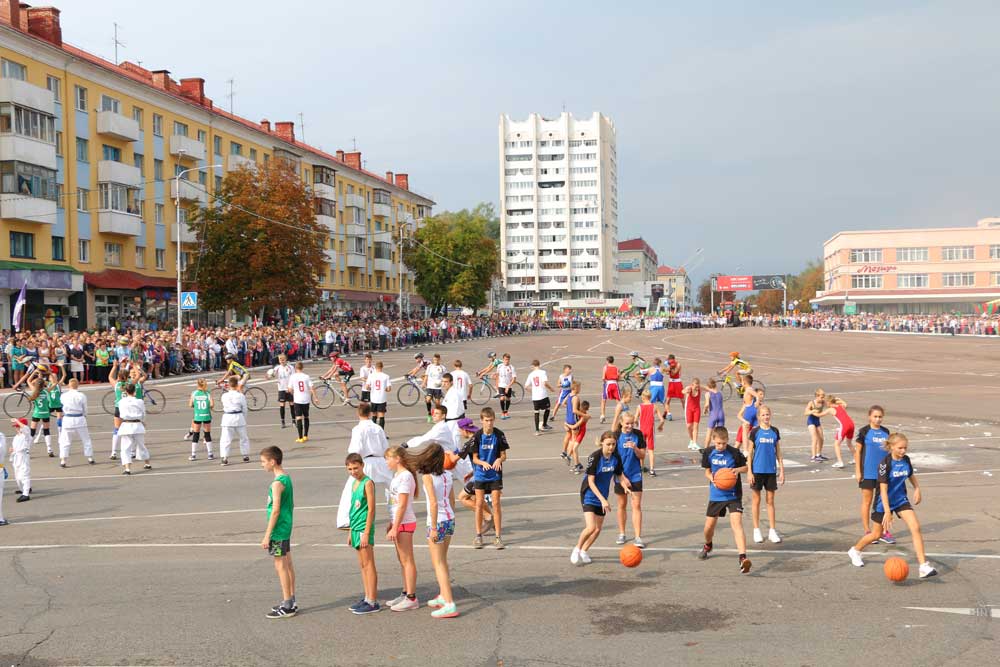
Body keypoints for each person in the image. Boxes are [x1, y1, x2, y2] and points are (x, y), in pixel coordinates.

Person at [847, 433, 937, 578]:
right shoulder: (885, 464)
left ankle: (923, 566)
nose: (903, 451)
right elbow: (882, 489)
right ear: (891, 447)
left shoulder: (906, 459)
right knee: (876, 534)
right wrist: (887, 512)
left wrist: (918, 488)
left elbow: (911, 474)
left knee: (915, 527)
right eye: (900, 448)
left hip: (900, 500)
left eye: (905, 448)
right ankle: (855, 550)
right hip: (884, 503)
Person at [571, 431, 630, 565]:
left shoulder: (616, 457)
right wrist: (603, 500)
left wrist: (624, 485)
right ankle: (577, 548)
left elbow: (619, 474)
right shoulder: (595, 457)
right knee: (591, 527)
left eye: (613, 444)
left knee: (598, 529)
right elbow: (591, 481)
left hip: (603, 495)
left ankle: (584, 551)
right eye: (608, 444)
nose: (611, 447)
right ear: (602, 442)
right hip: (589, 494)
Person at [699, 426, 752, 573]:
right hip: (716, 494)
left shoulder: (734, 453)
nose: (721, 446)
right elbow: (707, 471)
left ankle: (743, 558)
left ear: (727, 440)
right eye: (718, 444)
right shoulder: (709, 452)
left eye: (723, 443)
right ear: (713, 440)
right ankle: (708, 544)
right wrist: (712, 478)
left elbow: (746, 467)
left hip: (733, 494)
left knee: (737, 524)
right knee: (708, 528)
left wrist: (737, 470)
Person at [418, 442, 459, 618]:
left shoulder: (427, 476)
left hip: (438, 522)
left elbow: (433, 502)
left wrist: (433, 527)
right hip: (449, 519)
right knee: (442, 560)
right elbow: (452, 500)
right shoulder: (448, 475)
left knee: (438, 563)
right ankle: (443, 595)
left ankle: (449, 603)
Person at [260, 446, 297, 618]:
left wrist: (267, 534)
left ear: (272, 461)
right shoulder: (286, 477)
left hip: (278, 530)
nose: (262, 465)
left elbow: (275, 510)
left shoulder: (277, 483)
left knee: (280, 565)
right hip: (285, 526)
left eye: (263, 461)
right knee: (288, 563)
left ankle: (287, 604)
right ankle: (291, 600)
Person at [466, 406, 509, 549]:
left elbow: (504, 455)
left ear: (494, 420)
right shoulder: (477, 436)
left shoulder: (499, 435)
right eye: (486, 420)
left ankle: (498, 537)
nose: (489, 423)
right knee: (479, 504)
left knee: (496, 504)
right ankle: (478, 536)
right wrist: (482, 463)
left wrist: (499, 460)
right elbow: (475, 458)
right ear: (481, 420)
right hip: (481, 475)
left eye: (491, 420)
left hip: (495, 474)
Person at [383, 445, 419, 612]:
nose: (386, 462)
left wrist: (395, 527)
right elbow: (395, 503)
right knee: (402, 560)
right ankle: (405, 592)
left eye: (388, 458)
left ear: (397, 459)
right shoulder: (397, 475)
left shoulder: (405, 476)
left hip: (404, 522)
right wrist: (392, 522)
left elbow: (403, 504)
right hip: (398, 521)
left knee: (407, 560)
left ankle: (412, 597)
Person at [855, 405, 895, 544]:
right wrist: (858, 471)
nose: (878, 419)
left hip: (883, 474)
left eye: (880, 417)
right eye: (875, 416)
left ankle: (884, 531)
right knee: (867, 501)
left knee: (883, 503)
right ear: (869, 417)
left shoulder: (886, 432)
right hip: (868, 472)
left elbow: (890, 451)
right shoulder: (864, 432)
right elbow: (858, 452)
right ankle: (868, 531)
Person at [345, 452, 379, 614]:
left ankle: (372, 601)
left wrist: (366, 532)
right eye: (350, 469)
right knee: (362, 564)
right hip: (355, 527)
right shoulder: (354, 483)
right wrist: (350, 530)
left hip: (364, 528)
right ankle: (366, 597)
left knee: (369, 563)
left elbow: (371, 509)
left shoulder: (367, 483)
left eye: (355, 468)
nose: (353, 472)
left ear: (362, 465)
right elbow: (353, 509)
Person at [747, 405, 784, 544]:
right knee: (756, 500)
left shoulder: (775, 431)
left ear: (770, 415)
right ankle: (756, 530)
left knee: (770, 501)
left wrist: (782, 470)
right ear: (758, 417)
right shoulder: (755, 432)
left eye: (767, 414)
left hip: (771, 471)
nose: (765, 417)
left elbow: (778, 452)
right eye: (763, 415)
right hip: (757, 471)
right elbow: (749, 453)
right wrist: (749, 471)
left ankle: (772, 531)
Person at [611, 411, 647, 548]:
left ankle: (638, 537)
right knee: (621, 505)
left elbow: (642, 456)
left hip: (635, 474)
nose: (630, 426)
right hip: (620, 475)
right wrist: (622, 477)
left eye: (632, 423)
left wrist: (635, 448)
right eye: (627, 423)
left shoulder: (638, 434)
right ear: (621, 423)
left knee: (636, 505)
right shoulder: (616, 435)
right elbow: (612, 459)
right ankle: (622, 533)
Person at [348, 403, 392, 487]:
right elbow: (386, 448)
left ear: (358, 414)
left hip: (365, 463)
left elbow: (355, 450)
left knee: (353, 490)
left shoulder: (357, 429)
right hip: (381, 462)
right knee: (392, 488)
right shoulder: (378, 428)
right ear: (370, 413)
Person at [58, 378, 94, 467]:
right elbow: (85, 408)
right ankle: (90, 457)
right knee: (86, 439)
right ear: (77, 385)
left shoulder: (63, 396)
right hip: (79, 418)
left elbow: (62, 406)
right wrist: (85, 415)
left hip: (68, 418)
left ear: (69, 385)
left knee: (65, 440)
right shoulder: (81, 395)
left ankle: (63, 460)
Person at [117, 382, 150, 475]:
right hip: (137, 424)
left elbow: (121, 415)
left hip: (126, 424)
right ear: (134, 391)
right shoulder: (140, 401)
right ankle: (147, 463)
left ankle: (127, 468)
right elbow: (143, 413)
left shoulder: (121, 402)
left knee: (125, 448)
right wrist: (143, 421)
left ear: (126, 391)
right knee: (141, 445)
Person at [219, 376, 250, 466]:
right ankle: (245, 455)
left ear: (228, 385)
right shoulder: (240, 396)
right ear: (237, 385)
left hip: (227, 417)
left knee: (226, 439)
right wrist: (243, 418)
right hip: (238, 417)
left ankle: (225, 458)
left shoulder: (224, 396)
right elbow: (245, 408)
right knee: (243, 437)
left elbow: (224, 405)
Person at [821, 395, 855, 469]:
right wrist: (840, 399)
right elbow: (845, 404)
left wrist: (811, 411)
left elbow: (820, 415)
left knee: (836, 444)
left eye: (826, 402)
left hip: (845, 426)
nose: (825, 404)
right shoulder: (840, 405)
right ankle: (856, 458)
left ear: (829, 402)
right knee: (849, 443)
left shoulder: (830, 409)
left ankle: (840, 462)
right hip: (851, 424)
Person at [25, 369, 54, 457]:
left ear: (36, 384)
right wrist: (50, 373)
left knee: (32, 431)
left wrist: (35, 372)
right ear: (43, 384)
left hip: (37, 413)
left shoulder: (34, 391)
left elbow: (28, 380)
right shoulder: (46, 391)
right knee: (46, 431)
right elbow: (54, 383)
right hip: (45, 413)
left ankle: (27, 450)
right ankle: (49, 449)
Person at [186, 378, 214, 461]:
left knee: (196, 434)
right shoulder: (207, 393)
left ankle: (193, 455)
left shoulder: (194, 393)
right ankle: (210, 454)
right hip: (206, 415)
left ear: (197, 384)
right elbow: (212, 405)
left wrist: (196, 406)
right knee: (207, 434)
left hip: (197, 416)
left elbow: (190, 405)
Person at [525, 359, 555, 435]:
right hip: (543, 394)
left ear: (533, 366)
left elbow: (526, 386)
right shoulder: (543, 372)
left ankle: (537, 430)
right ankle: (544, 424)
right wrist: (551, 388)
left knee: (536, 412)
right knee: (547, 408)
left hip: (535, 397)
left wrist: (532, 391)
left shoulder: (531, 374)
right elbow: (545, 383)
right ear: (539, 365)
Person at [288, 362, 316, 444]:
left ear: (295, 368)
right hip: (306, 399)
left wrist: (293, 392)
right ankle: (305, 435)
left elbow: (289, 389)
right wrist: (315, 397)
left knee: (298, 418)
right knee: (306, 417)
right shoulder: (306, 376)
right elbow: (312, 387)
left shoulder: (293, 377)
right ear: (302, 368)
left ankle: (300, 437)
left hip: (297, 400)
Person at [635, 389, 661, 477]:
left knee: (642, 449)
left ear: (642, 397)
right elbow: (661, 420)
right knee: (651, 450)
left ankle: (641, 466)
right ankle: (652, 469)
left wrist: (636, 423)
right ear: (650, 397)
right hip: (650, 430)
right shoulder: (654, 406)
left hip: (641, 430)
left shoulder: (639, 407)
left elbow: (635, 419)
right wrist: (660, 426)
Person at [364, 361, 392, 431]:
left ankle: (373, 432)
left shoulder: (371, 375)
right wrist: (385, 389)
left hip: (373, 398)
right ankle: (381, 433)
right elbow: (389, 389)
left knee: (374, 415)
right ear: (382, 367)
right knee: (381, 416)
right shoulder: (386, 376)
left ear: (375, 367)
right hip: (382, 398)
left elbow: (367, 387)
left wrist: (371, 388)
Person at [9, 417, 32, 502]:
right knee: (17, 476)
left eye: (17, 426)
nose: (16, 428)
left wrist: (17, 421)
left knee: (24, 475)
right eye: (15, 426)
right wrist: (12, 450)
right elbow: (16, 447)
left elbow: (26, 429)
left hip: (23, 457)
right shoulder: (16, 437)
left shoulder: (26, 435)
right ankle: (25, 488)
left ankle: (26, 494)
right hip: (16, 457)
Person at [269, 354, 294, 429]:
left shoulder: (290, 367)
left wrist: (291, 387)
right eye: (280, 359)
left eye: (283, 359)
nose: (282, 361)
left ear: (286, 359)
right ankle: (283, 422)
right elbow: (272, 375)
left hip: (289, 388)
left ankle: (293, 421)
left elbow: (293, 378)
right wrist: (269, 375)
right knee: (282, 405)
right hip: (281, 389)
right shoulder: (277, 368)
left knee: (292, 405)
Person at [736, 378, 760, 454]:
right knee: (754, 434)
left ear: (744, 383)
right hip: (753, 414)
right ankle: (751, 450)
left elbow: (757, 395)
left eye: (742, 382)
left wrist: (758, 400)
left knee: (745, 433)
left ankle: (745, 450)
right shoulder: (749, 393)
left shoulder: (748, 389)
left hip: (749, 414)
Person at [804, 388, 827, 463]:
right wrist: (812, 411)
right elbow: (805, 413)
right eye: (821, 397)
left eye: (823, 396)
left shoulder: (823, 402)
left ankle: (818, 455)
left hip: (817, 421)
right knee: (815, 438)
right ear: (817, 396)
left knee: (821, 438)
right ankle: (813, 457)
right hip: (811, 421)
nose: (823, 398)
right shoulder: (811, 403)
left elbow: (830, 405)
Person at [702, 378, 725, 450]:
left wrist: (705, 410)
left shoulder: (708, 394)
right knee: (720, 433)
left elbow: (707, 404)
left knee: (709, 433)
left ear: (708, 386)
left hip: (713, 414)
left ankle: (706, 450)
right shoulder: (720, 393)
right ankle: (720, 448)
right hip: (721, 414)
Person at [423, 353, 446, 420]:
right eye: (435, 359)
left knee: (437, 403)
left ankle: (437, 416)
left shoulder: (442, 368)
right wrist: (424, 383)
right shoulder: (430, 366)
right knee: (428, 399)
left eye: (437, 359)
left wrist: (443, 384)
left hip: (438, 387)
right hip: (430, 386)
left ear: (439, 360)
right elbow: (426, 375)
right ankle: (429, 414)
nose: (436, 361)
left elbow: (446, 377)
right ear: (433, 359)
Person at [599, 355, 621, 424]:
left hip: (608, 384)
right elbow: (618, 378)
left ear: (607, 361)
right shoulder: (617, 368)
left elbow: (603, 377)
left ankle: (602, 415)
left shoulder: (605, 367)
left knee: (604, 400)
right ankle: (619, 416)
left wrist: (605, 383)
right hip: (615, 384)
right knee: (618, 401)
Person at [682, 378, 702, 451]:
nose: (697, 388)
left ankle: (695, 443)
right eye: (695, 386)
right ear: (692, 385)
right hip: (689, 409)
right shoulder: (689, 388)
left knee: (696, 426)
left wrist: (712, 390)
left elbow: (706, 388)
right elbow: (683, 391)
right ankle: (691, 440)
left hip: (697, 409)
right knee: (689, 426)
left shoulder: (699, 388)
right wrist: (685, 391)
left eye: (698, 386)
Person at [494, 353, 516, 420]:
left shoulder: (511, 367)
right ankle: (503, 412)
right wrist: (497, 385)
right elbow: (497, 376)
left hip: (508, 386)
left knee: (508, 399)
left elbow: (514, 379)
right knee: (502, 398)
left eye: (508, 360)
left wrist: (508, 386)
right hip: (501, 385)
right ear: (503, 359)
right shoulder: (499, 366)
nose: (507, 361)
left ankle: (506, 412)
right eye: (505, 359)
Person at [664, 354, 683, 421]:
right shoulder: (670, 364)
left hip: (677, 382)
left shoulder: (678, 364)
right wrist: (667, 368)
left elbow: (674, 373)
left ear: (673, 359)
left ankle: (686, 413)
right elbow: (666, 373)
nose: (669, 361)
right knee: (668, 400)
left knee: (682, 399)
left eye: (670, 360)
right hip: (671, 382)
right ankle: (668, 414)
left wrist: (669, 367)